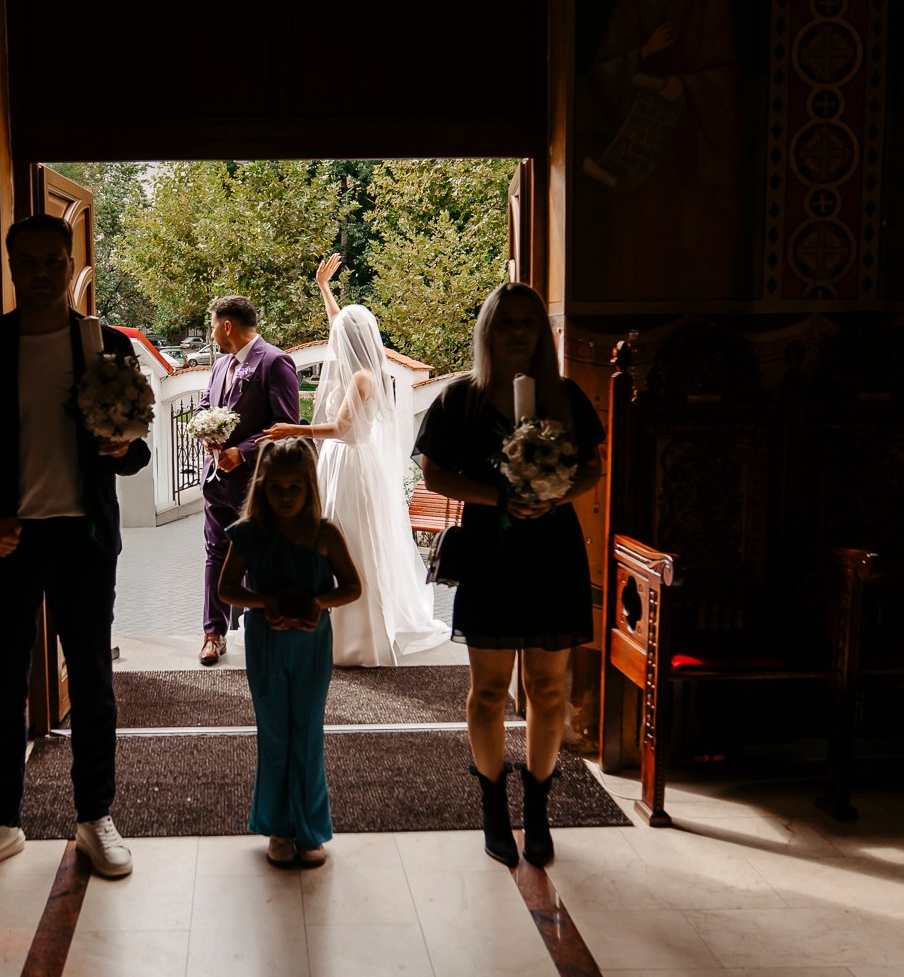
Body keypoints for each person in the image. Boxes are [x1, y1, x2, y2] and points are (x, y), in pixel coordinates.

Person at [0, 213, 150, 883]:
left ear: (69, 264)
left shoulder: (104, 343)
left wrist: (120, 448)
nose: (39, 274)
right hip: (10, 536)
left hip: (84, 533)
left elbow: (136, 445)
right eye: (25, 263)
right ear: (11, 268)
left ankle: (96, 816)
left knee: (90, 677)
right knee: (3, 679)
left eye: (51, 262)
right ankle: (2, 820)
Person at [414, 283, 605, 868]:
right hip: (490, 554)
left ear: (541, 335)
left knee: (549, 689)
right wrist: (499, 497)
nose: (518, 332)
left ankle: (540, 804)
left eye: (528, 322)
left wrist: (554, 496)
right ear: (488, 331)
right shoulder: (459, 402)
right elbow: (435, 474)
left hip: (552, 548)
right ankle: (493, 803)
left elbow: (593, 467)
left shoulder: (566, 397)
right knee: (490, 690)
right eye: (506, 322)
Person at [264, 255, 450, 666]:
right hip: (342, 462)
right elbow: (340, 325)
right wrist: (324, 288)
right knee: (336, 538)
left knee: (348, 541)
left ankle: (355, 634)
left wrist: (292, 429)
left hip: (348, 462)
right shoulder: (361, 365)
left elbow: (342, 429)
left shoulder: (362, 377)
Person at [584, 0, 739, 301]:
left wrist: (685, 85)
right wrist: (641, 57)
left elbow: (726, 70)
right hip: (642, 147)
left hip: (693, 148)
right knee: (641, 250)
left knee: (693, 243)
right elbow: (602, 70)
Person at [216, 439, 363, 866]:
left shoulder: (325, 533)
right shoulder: (248, 534)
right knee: (275, 732)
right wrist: (267, 604)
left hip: (313, 645)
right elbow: (226, 589)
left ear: (309, 487)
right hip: (265, 643)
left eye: (294, 487)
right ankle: (278, 827)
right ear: (261, 487)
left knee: (308, 732)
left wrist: (318, 604)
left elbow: (352, 587)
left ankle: (310, 829)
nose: (284, 496)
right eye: (275, 487)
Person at [197, 296, 300, 666]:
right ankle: (213, 634)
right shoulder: (220, 363)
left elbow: (288, 427)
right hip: (217, 481)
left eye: (212, 325)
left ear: (227, 326)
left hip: (257, 486)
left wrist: (242, 451)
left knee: (260, 559)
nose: (211, 333)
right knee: (215, 555)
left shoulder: (275, 362)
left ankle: (267, 632)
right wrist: (205, 431)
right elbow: (205, 405)